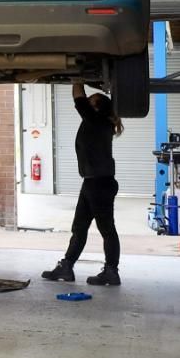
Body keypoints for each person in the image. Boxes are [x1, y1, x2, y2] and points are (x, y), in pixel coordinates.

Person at [42, 82, 124, 286]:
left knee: (107, 229)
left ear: (96, 107)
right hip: (93, 183)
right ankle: (67, 267)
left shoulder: (96, 120)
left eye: (91, 100)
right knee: (79, 228)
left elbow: (78, 96)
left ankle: (111, 272)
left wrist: (77, 76)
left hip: (99, 184)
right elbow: (84, 100)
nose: (87, 101)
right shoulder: (98, 121)